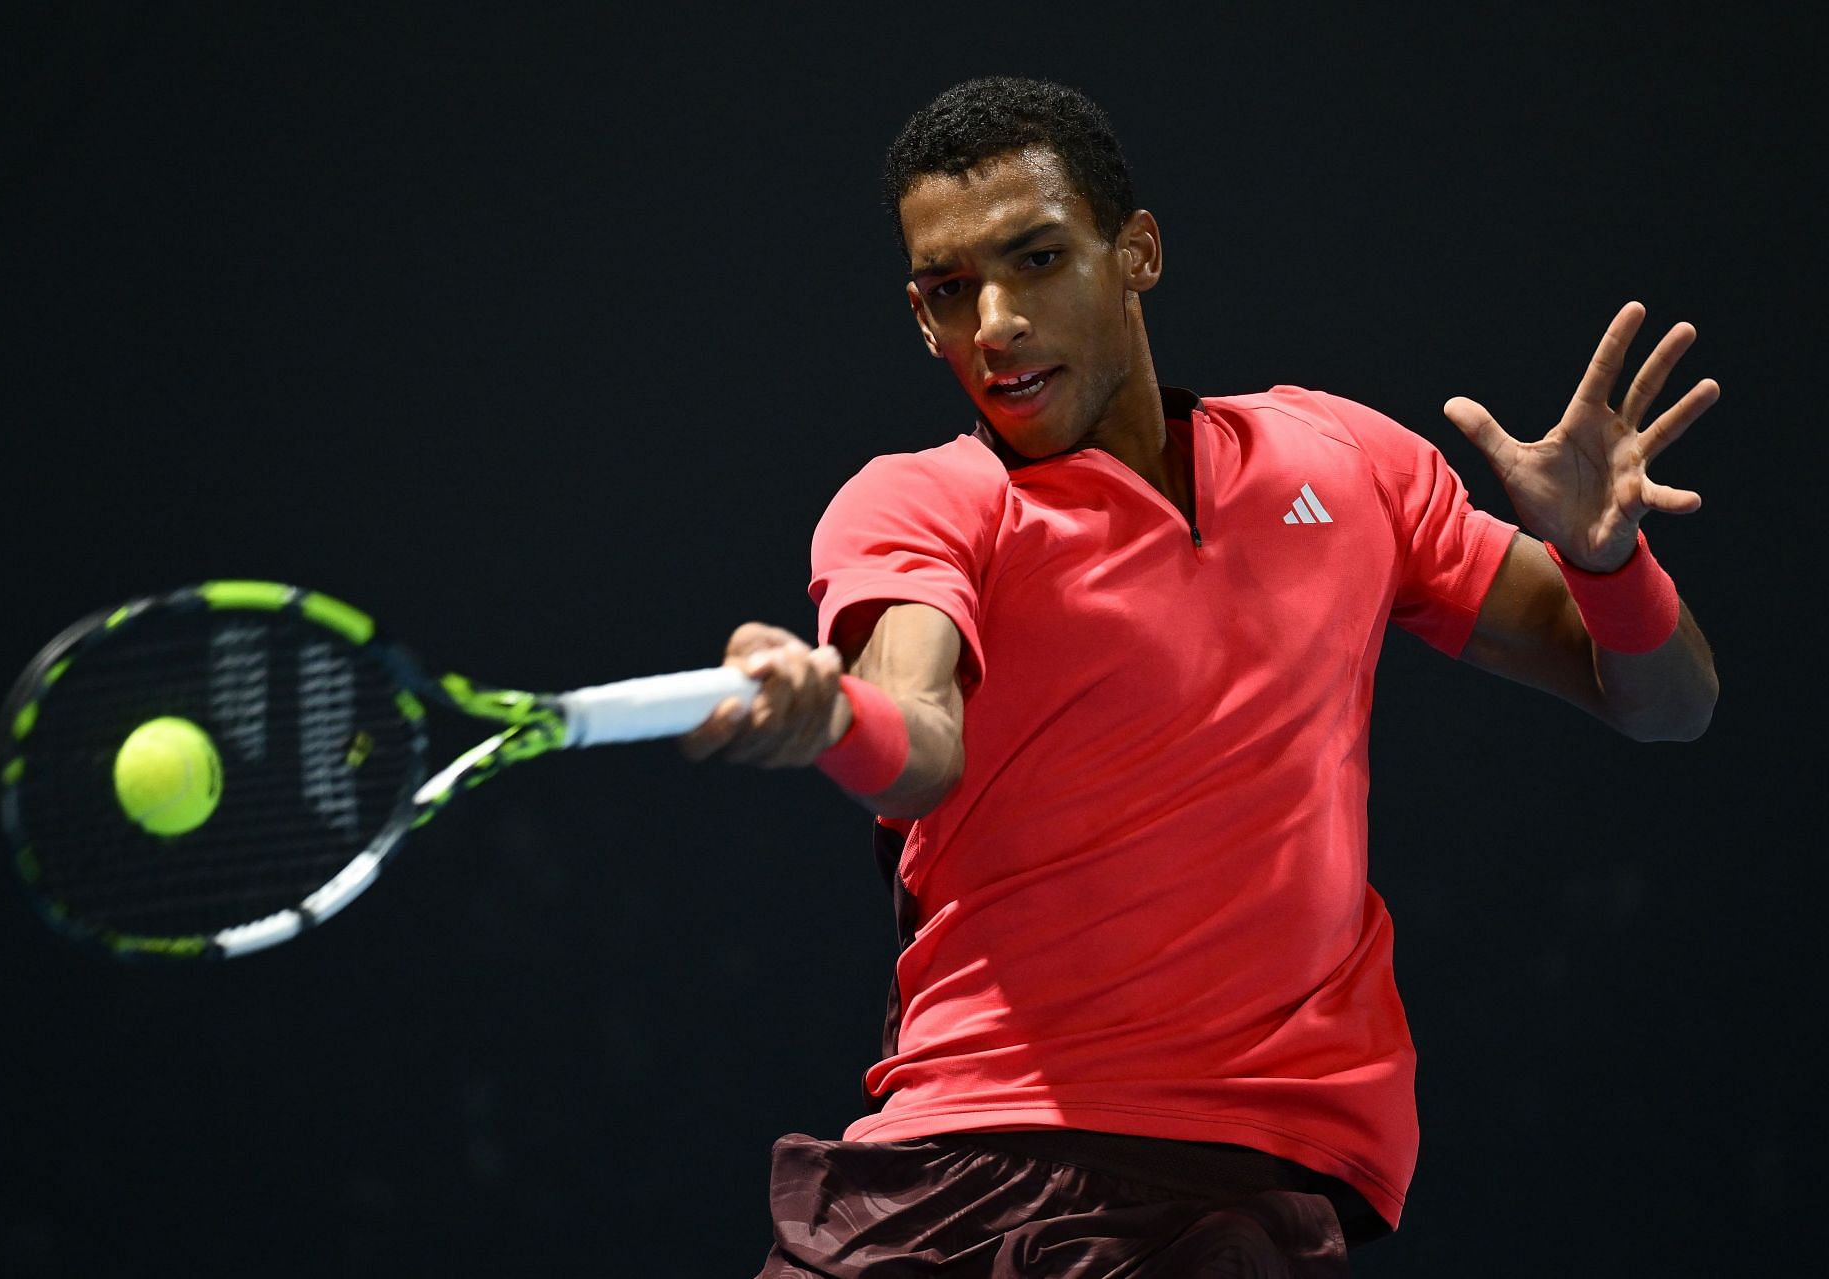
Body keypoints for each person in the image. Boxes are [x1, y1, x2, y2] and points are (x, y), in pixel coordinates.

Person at [681, 77, 1719, 1277]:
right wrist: (836, 716)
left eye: (1037, 259)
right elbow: (919, 736)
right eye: (950, 292)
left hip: (1233, 1179)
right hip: (957, 1167)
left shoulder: (1343, 460)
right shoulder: (923, 501)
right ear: (921, 315)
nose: (998, 323)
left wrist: (1608, 559)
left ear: (1138, 254)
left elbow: (1666, 701)